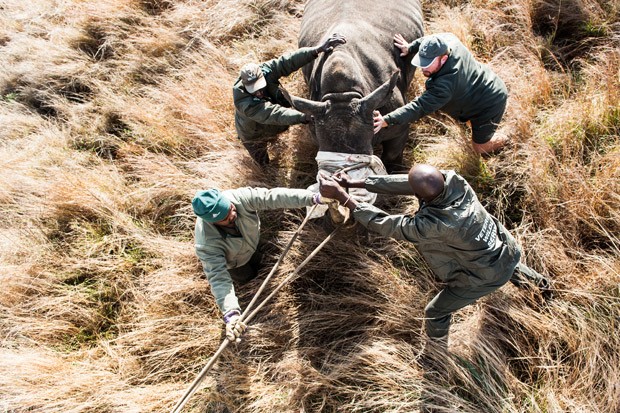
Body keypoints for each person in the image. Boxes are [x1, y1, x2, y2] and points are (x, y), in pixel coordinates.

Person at [318, 164, 550, 354]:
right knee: (507, 263)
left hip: (486, 275)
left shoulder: (435, 225)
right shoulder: (454, 181)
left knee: (435, 311)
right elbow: (410, 183)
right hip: (504, 248)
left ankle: (436, 352)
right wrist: (354, 183)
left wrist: (342, 196)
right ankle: (544, 287)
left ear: (419, 195)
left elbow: (385, 224)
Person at [192, 186, 323, 342]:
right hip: (236, 264)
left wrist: (312, 198)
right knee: (247, 277)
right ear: (212, 222)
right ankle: (250, 281)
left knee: (262, 259)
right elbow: (218, 278)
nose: (233, 213)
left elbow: (273, 196)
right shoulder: (207, 243)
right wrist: (231, 313)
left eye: (230, 208)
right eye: (225, 217)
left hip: (252, 242)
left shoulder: (239, 198)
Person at [373, 33, 509, 155]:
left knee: (479, 147)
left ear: (443, 59)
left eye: (427, 64)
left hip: (489, 102)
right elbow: (429, 41)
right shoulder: (449, 40)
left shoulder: (445, 85)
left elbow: (418, 107)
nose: (423, 68)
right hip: (485, 82)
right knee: (469, 124)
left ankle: (507, 136)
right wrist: (410, 47)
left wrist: (387, 120)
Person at [234, 33, 346, 165]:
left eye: (260, 87)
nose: (258, 93)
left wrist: (317, 50)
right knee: (262, 161)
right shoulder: (244, 103)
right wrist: (303, 116)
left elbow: (288, 61)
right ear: (245, 85)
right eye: (253, 90)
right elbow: (274, 113)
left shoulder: (266, 71)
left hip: (272, 124)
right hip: (253, 133)